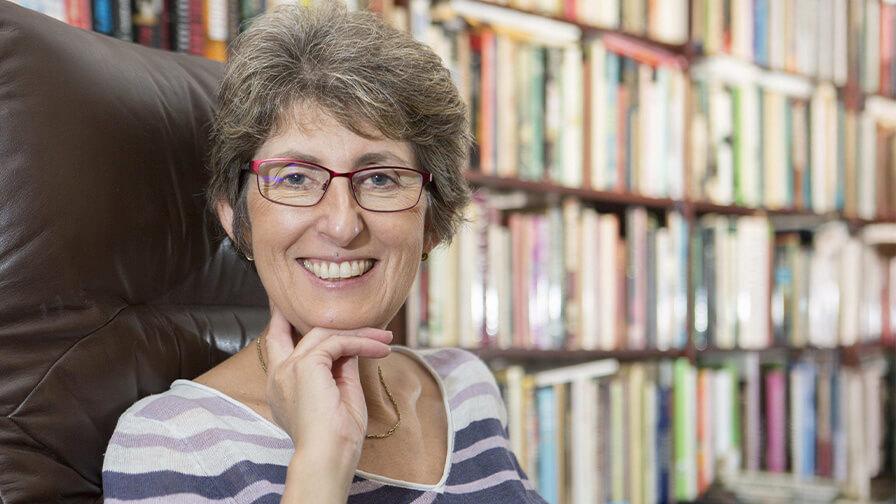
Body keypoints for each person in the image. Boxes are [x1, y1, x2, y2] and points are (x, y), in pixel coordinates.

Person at [101, 3, 546, 502]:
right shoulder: (172, 444)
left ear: (430, 220)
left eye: (380, 179)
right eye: (295, 177)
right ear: (237, 220)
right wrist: (320, 463)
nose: (341, 223)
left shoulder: (467, 385)